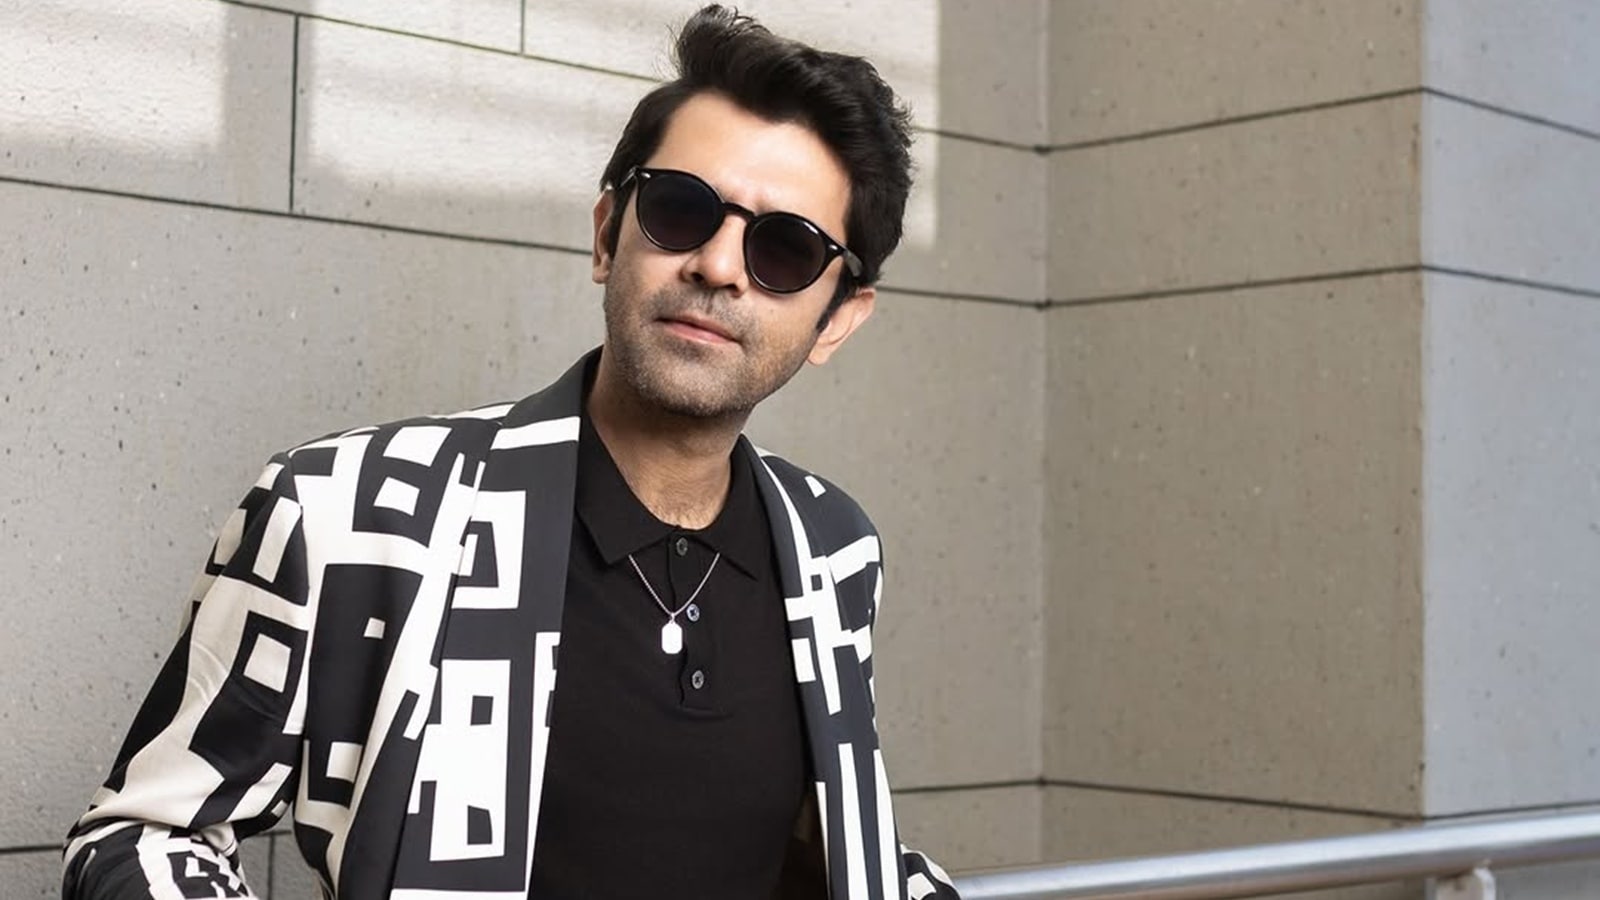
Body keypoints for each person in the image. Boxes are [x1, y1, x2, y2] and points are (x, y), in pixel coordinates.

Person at [63, 5, 960, 898]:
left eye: (786, 249)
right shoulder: (346, 509)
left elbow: (841, 854)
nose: (719, 267)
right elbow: (139, 839)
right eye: (680, 210)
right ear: (607, 234)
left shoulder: (833, 548)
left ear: (838, 319)